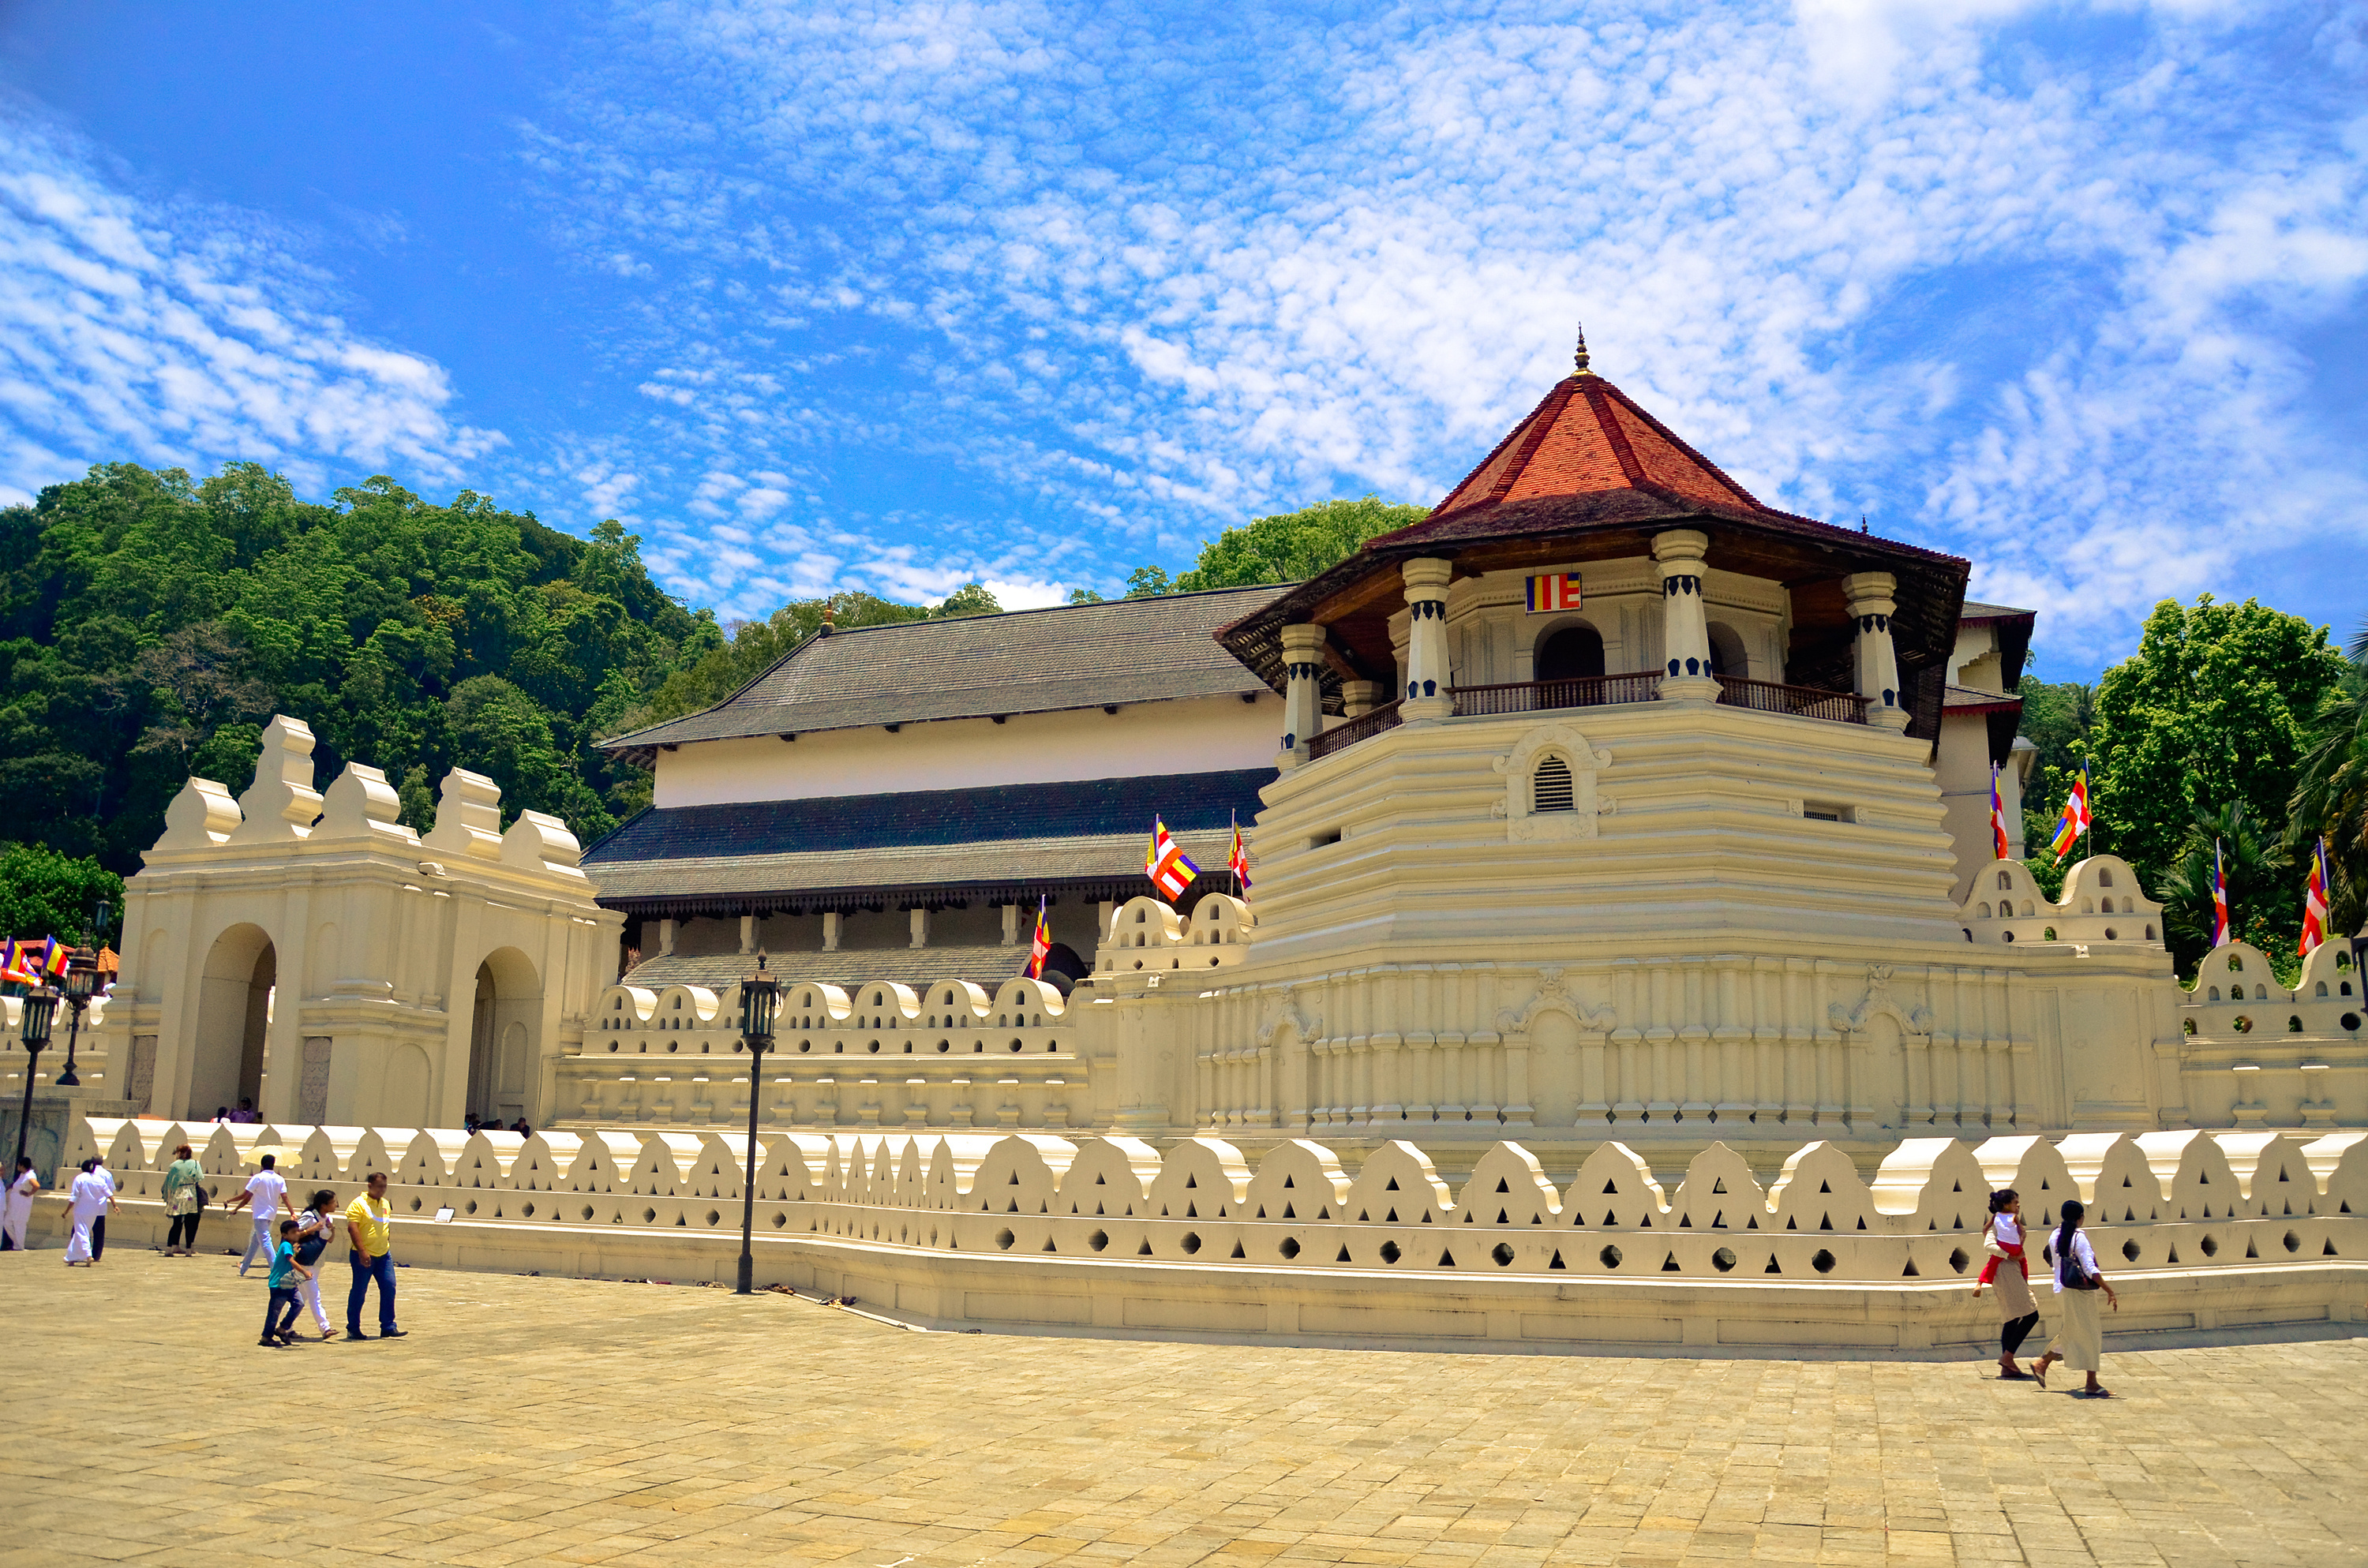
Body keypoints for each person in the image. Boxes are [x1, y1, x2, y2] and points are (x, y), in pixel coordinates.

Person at [2032, 1197, 2118, 1396]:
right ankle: (2090, 1382)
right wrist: (2108, 1289)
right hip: (2078, 1292)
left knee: (2073, 1331)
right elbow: (2089, 1268)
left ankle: (2043, 1365)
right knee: (2090, 1334)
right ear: (2081, 1217)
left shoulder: (2055, 1235)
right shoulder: (2079, 1238)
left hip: (2061, 1289)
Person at [1970, 1188, 2040, 1379]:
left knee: (2012, 1317)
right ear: (2005, 1205)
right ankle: (2008, 1357)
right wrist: (2010, 1255)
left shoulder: (2011, 1224)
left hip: (2012, 1269)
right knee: (2031, 1315)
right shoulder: (1997, 1225)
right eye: (2015, 1202)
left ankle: (2006, 1367)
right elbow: (1989, 1246)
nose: (2018, 1205)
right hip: (2005, 1269)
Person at [343, 1170, 406, 1342]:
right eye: (379, 1187)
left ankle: (388, 1326)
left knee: (389, 1287)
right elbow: (353, 1228)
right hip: (362, 1254)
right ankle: (353, 1328)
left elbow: (384, 1227)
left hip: (383, 1254)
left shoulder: (385, 1203)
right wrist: (362, 1251)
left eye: (385, 1187)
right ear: (370, 1185)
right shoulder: (358, 1204)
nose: (382, 1190)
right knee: (359, 1291)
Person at [227, 1153, 294, 1276]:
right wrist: (292, 1212)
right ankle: (243, 1268)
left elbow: (245, 1196)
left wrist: (231, 1202)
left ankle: (276, 1269)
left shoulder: (258, 1178)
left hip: (260, 1214)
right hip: (271, 1214)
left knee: (265, 1241)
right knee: (255, 1242)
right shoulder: (279, 1179)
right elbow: (285, 1197)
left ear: (262, 1165)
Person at [290, 1190, 342, 1339]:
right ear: (323, 1204)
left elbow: (330, 1240)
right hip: (304, 1263)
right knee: (314, 1294)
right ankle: (325, 1327)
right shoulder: (309, 1217)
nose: (336, 1205)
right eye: (333, 1202)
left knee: (301, 1296)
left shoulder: (328, 1218)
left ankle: (286, 1326)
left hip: (317, 1261)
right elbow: (293, 1233)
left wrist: (332, 1230)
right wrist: (312, 1229)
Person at [260, 1219, 310, 1348]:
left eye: (297, 1231)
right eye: (293, 1232)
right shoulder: (285, 1245)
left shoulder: (289, 1246)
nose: (296, 1234)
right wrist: (304, 1272)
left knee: (299, 1304)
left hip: (289, 1283)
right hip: (279, 1284)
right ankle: (266, 1337)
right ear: (285, 1235)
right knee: (275, 1311)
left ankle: (282, 1329)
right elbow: (291, 1260)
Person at [62, 1158, 113, 1265]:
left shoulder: (80, 1178)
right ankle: (71, 1257)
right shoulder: (99, 1179)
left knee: (82, 1232)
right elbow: (109, 1193)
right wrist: (115, 1205)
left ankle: (88, 1255)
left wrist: (66, 1211)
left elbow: (74, 1197)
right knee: (79, 1233)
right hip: (95, 1211)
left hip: (81, 1210)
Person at [161, 1144, 208, 1256]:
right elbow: (199, 1177)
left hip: (177, 1194)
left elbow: (169, 1183)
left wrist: (168, 1197)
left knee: (176, 1224)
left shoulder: (174, 1166)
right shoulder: (195, 1163)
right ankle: (188, 1250)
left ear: (179, 1153)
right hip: (191, 1195)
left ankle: (169, 1248)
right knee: (190, 1224)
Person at [2, 1156, 37, 1251]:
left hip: (22, 1205)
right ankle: (17, 1243)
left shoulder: (30, 1175)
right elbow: (19, 1185)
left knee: (19, 1225)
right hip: (14, 1205)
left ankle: (19, 1246)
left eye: (19, 1165)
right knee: (7, 1223)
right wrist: (10, 1186)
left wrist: (29, 1193)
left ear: (22, 1166)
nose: (17, 1166)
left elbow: (36, 1185)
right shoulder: (23, 1175)